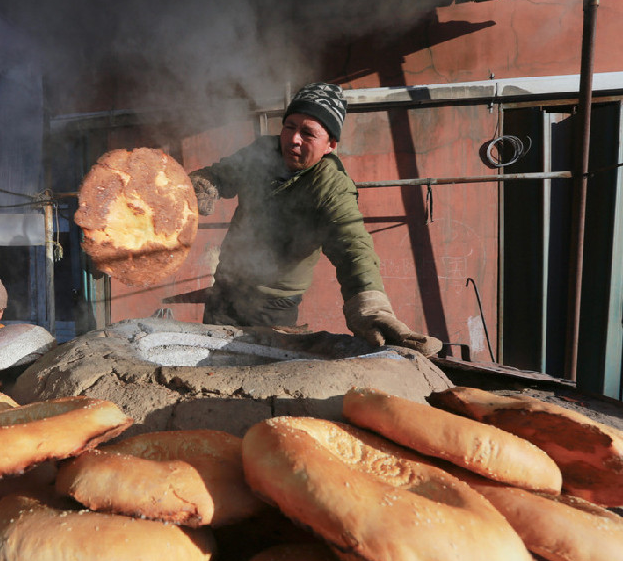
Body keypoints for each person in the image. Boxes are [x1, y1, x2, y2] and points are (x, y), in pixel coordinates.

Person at [188, 82, 441, 356]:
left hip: (272, 307)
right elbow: (221, 174)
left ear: (330, 145)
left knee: (253, 375)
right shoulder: (261, 151)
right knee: (212, 366)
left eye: (308, 133)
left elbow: (353, 248)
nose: (293, 139)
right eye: (289, 126)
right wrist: (203, 184)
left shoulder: (332, 187)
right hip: (225, 292)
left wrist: (371, 309)